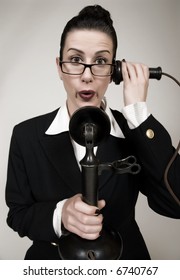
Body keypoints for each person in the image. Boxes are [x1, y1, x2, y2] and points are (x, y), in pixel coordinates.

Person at [5, 5, 180, 260]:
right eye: (75, 60)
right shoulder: (25, 136)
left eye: (100, 61)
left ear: (115, 71)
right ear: (59, 66)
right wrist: (60, 214)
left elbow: (175, 203)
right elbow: (17, 214)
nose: (87, 76)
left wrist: (138, 113)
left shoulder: (134, 131)